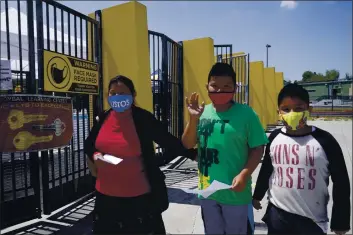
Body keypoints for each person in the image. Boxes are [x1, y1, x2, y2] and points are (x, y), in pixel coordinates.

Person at [84, 75, 197, 235]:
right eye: (113, 93)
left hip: (138, 200)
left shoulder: (143, 119)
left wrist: (194, 155)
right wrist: (96, 156)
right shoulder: (104, 117)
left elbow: (168, 141)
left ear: (133, 95)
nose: (117, 97)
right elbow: (89, 144)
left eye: (122, 92)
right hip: (106, 200)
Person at [182, 62, 268, 234]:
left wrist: (244, 174)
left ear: (235, 88)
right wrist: (193, 119)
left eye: (226, 86)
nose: (220, 91)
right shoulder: (202, 112)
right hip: (207, 190)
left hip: (235, 192)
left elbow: (258, 149)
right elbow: (187, 144)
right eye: (215, 86)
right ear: (207, 87)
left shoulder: (247, 114)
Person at [252, 83, 351, 235]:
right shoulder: (275, 137)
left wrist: (340, 221)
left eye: (298, 109)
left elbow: (341, 182)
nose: (292, 113)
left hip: (312, 221)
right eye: (286, 109)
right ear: (278, 111)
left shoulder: (325, 141)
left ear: (309, 110)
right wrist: (257, 195)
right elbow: (267, 169)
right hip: (277, 215)